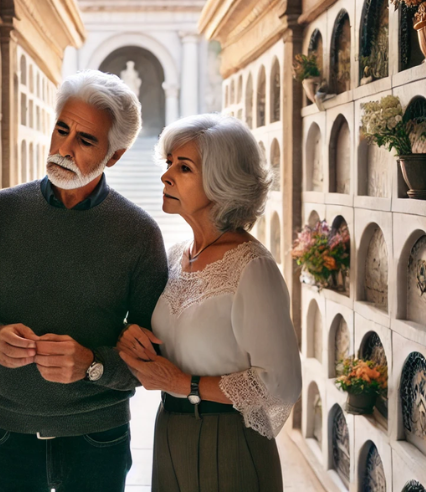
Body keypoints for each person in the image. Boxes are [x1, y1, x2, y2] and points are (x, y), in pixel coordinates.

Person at [0, 70, 168, 492]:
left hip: (98, 438)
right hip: (8, 433)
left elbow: (151, 359)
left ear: (114, 156)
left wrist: (94, 365)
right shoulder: (1, 212)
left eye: (85, 140)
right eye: (62, 129)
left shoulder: (139, 234)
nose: (63, 148)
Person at [117, 113, 302, 492]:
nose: (166, 175)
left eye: (184, 167)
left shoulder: (253, 268)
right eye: (169, 163)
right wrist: (130, 337)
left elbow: (281, 384)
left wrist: (187, 384)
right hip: (170, 429)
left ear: (222, 181)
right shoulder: (173, 258)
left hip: (229, 439)